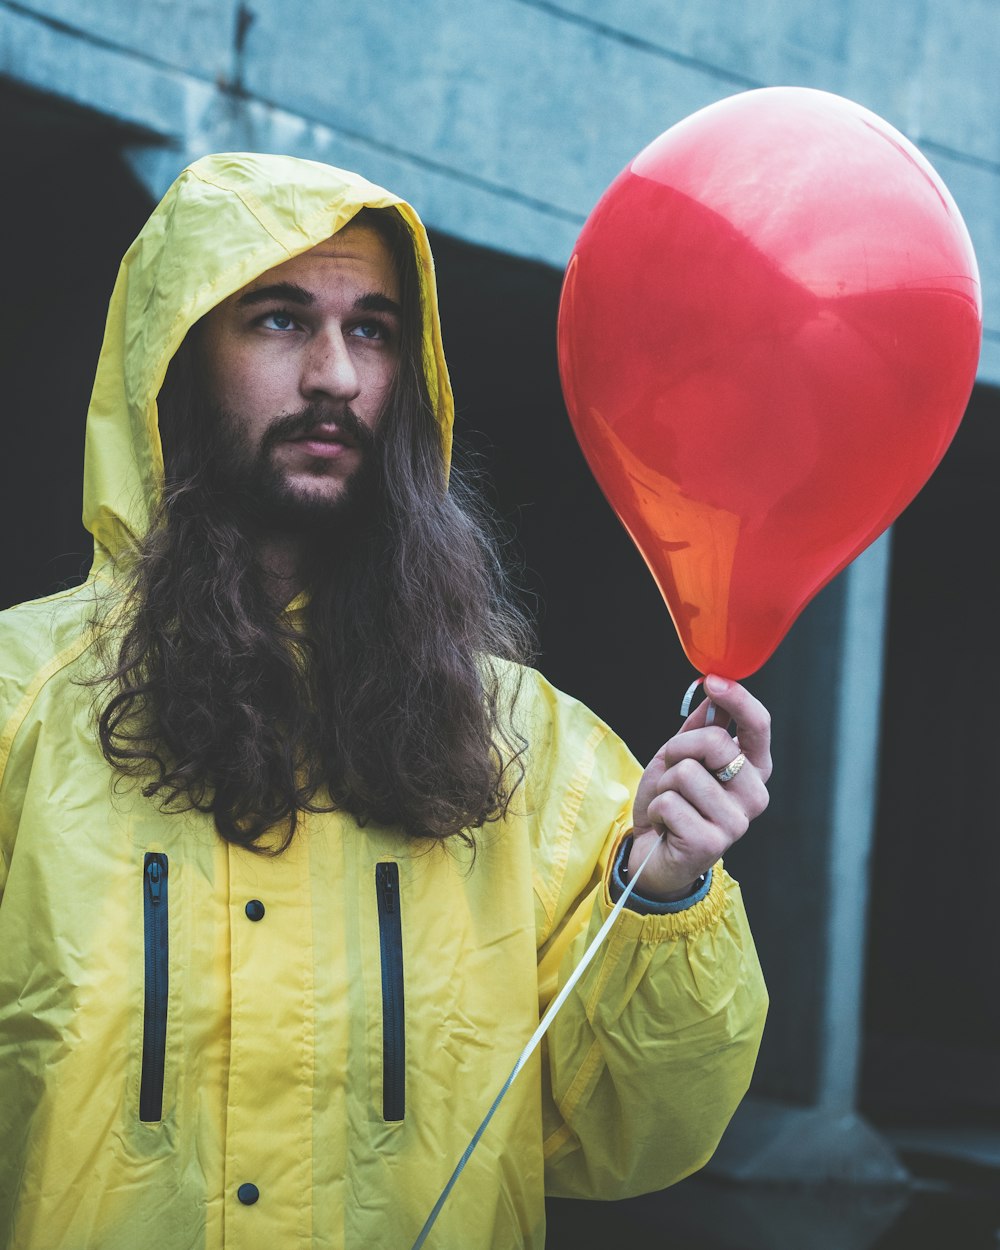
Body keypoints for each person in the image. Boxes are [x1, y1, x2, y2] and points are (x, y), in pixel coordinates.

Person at [0, 153, 770, 1250]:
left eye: (372, 329)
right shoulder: (19, 701)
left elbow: (634, 1133)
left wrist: (663, 892)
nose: (336, 375)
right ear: (169, 358)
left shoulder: (527, 748)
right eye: (276, 320)